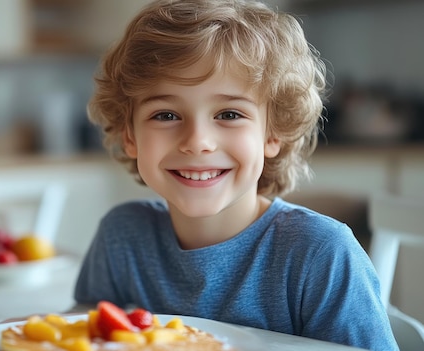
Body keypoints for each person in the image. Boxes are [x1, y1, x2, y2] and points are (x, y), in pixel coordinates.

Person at [72, 0, 398, 350]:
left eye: (228, 114)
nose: (197, 142)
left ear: (273, 134)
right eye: (166, 115)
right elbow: (81, 328)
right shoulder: (123, 236)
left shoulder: (322, 253)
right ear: (130, 137)